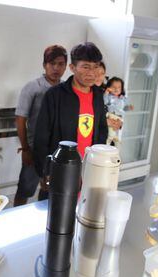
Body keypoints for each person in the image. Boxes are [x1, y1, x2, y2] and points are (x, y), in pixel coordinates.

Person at [33, 42, 108, 181]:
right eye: (85, 67)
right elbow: (41, 136)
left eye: (96, 67)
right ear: (72, 68)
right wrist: (45, 171)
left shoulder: (98, 94)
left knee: (87, 202)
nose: (92, 73)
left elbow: (102, 130)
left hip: (90, 167)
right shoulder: (55, 95)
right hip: (60, 168)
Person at [14, 45, 67, 206]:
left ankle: (43, 222)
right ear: (44, 65)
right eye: (52, 64)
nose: (56, 68)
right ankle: (15, 222)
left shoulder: (66, 89)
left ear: (66, 66)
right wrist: (25, 149)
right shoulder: (33, 87)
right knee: (25, 189)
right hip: (34, 149)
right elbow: (20, 118)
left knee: (49, 189)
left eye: (60, 64)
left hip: (56, 150)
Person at [104, 77, 133, 148]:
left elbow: (124, 108)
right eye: (113, 87)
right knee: (110, 130)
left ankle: (114, 138)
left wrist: (129, 108)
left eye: (119, 87)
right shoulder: (109, 96)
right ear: (109, 87)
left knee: (114, 129)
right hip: (111, 115)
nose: (116, 89)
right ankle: (110, 139)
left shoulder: (122, 98)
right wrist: (106, 93)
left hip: (119, 117)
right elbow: (105, 102)